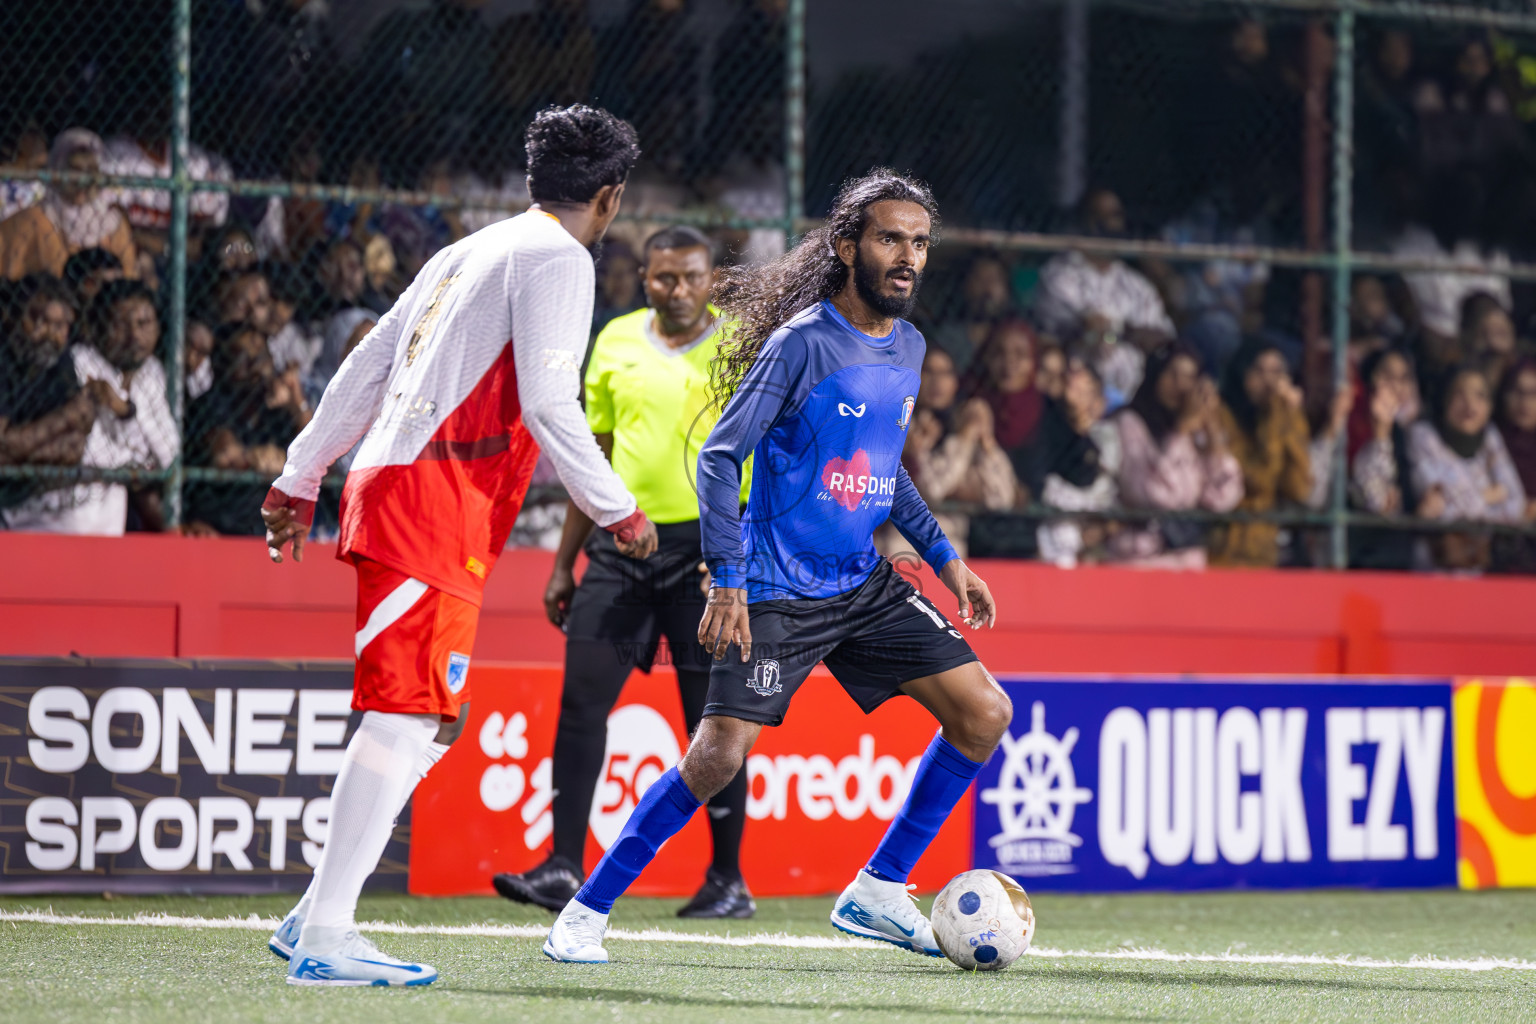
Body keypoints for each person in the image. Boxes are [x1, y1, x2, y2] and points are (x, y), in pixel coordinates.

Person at [544, 169, 1011, 964]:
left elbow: (885, 468)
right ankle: (585, 913)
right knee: (718, 755)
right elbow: (722, 456)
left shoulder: (909, 346)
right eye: (891, 239)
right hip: (773, 589)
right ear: (847, 246)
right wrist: (728, 579)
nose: (908, 257)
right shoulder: (803, 343)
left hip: (861, 582)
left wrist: (946, 558)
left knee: (984, 713)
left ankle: (877, 888)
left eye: (921, 243)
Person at [258, 105, 655, 988]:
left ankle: (311, 913)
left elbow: (364, 364)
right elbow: (553, 405)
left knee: (435, 718)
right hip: (429, 500)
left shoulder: (467, 250)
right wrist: (619, 509)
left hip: (419, 495)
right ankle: (325, 934)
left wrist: (300, 472)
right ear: (611, 197)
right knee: (403, 715)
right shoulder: (561, 258)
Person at [494, 225, 756, 919]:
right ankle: (561, 867)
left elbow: (764, 459)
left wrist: (738, 561)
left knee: (713, 721)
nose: (678, 289)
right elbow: (595, 458)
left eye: (692, 277)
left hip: (707, 557)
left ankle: (727, 880)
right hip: (620, 546)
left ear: (712, 281)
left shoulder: (741, 346)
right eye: (664, 277)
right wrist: (562, 564)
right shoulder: (613, 342)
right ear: (644, 278)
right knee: (581, 704)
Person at [1208, 339, 1349, 568]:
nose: (1270, 382)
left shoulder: (1285, 414)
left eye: (1277, 372)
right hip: (1226, 552)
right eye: (1259, 371)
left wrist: (1290, 416)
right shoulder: (1221, 417)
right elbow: (1258, 478)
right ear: (1241, 372)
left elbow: (1300, 487)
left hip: (1271, 554)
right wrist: (1277, 412)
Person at [1107, 344, 1243, 569]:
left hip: (1187, 563)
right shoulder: (1128, 424)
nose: (1179, 386)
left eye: (1189, 377)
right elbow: (1155, 494)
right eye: (1172, 374)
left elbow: (1223, 498)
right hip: (1139, 561)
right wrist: (1180, 432)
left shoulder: (1196, 433)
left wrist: (1212, 432)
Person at [1033, 188, 1175, 401]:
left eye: (1114, 216)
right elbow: (1077, 332)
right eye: (1097, 217)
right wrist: (1102, 331)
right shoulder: (1058, 275)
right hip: (1073, 394)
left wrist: (1116, 330)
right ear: (1083, 222)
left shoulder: (1136, 284)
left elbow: (1162, 338)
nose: (1106, 224)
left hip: (1137, 398)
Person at [62, 280, 179, 535]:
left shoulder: (152, 370)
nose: (134, 336)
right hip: (71, 500)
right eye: (119, 325)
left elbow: (169, 452)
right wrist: (136, 462)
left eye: (143, 324)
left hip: (115, 504)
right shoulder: (79, 362)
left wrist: (124, 410)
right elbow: (94, 455)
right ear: (97, 329)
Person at [1408, 365, 1526, 571]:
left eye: (1480, 396)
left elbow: (1516, 504)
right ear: (1444, 400)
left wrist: (1465, 501)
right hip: (1432, 573)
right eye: (1459, 394)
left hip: (1480, 571)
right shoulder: (1422, 436)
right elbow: (1442, 511)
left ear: (1490, 407)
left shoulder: (1489, 437)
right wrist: (1489, 497)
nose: (1470, 404)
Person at [0, 275, 96, 527]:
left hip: (30, 492)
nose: (50, 335)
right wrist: (63, 418)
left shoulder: (61, 359)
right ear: (12, 317)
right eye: (39, 320)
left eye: (60, 326)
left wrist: (15, 448)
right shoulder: (4, 356)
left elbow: (74, 446)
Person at [0, 129, 138, 282]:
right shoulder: (35, 219)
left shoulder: (114, 226)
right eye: (75, 170)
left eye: (90, 171)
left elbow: (129, 279)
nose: (82, 180)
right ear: (58, 169)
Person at [1348, 348, 1424, 570]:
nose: (1396, 386)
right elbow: (1376, 502)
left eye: (1403, 378)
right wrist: (1381, 433)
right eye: (1387, 376)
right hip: (1364, 559)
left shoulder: (1412, 432)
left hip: (1403, 559)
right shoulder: (1354, 427)